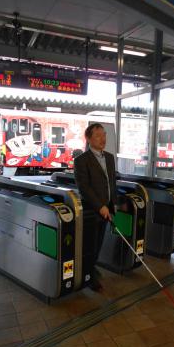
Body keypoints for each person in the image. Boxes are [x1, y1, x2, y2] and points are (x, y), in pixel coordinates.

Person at [74, 123, 117, 291]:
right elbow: (84, 188)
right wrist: (100, 207)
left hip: (107, 209)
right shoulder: (81, 161)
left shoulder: (110, 158)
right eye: (98, 135)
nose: (103, 138)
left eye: (104, 135)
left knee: (99, 243)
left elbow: (111, 183)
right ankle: (88, 276)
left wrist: (113, 205)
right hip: (91, 211)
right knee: (89, 245)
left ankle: (92, 268)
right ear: (89, 139)